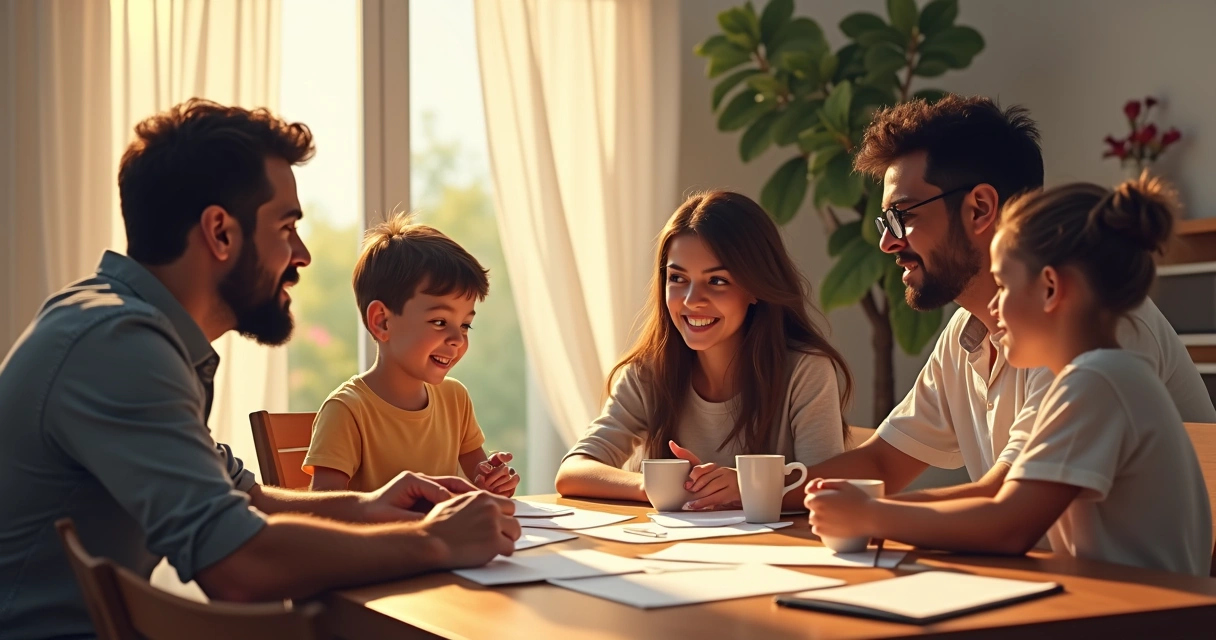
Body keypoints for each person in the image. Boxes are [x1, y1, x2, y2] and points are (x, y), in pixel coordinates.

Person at [0, 99, 519, 638]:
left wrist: (369, 506)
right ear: (220, 232)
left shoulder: (130, 331)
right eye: (286, 226)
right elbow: (238, 569)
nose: (302, 254)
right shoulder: (119, 346)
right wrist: (435, 541)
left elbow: (249, 500)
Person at [804, 95, 1215, 501]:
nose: (886, 243)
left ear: (980, 208)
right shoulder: (967, 333)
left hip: (1141, 572)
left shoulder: (1089, 322)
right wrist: (756, 490)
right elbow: (882, 464)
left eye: (902, 216)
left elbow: (1005, 505)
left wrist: (872, 513)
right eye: (884, 223)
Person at [806, 176, 1213, 576]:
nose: (993, 307)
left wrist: (871, 516)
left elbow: (1009, 523)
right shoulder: (1099, 374)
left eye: (1002, 285)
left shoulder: (1098, 379)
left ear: (1050, 288)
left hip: (1156, 618)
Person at [555, 190, 852, 512]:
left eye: (717, 281)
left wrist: (744, 486)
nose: (692, 299)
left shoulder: (806, 371)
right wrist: (654, 486)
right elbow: (573, 471)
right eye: (678, 278)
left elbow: (826, 487)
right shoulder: (647, 373)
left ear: (755, 287)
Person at [303, 215, 520, 496]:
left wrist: (493, 481)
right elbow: (323, 512)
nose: (457, 339)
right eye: (440, 322)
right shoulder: (346, 411)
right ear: (382, 321)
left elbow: (479, 481)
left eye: (465, 325)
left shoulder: (456, 399)